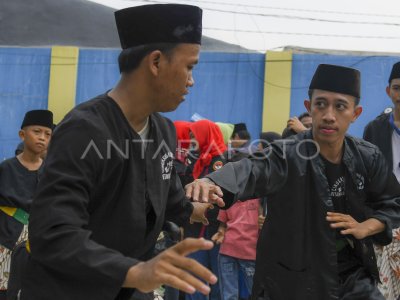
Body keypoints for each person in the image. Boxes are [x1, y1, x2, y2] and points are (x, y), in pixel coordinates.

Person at [20, 5, 219, 300]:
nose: (191, 81)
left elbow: (167, 194)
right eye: (189, 67)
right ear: (155, 62)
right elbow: (52, 233)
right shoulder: (84, 130)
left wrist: (195, 209)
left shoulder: (162, 131)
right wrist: (135, 272)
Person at [185, 64, 400, 300]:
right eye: (321, 104)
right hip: (292, 277)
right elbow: (252, 168)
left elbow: (393, 203)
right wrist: (212, 182)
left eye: (340, 106)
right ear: (309, 107)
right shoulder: (286, 153)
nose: (329, 115)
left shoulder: (367, 156)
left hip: (351, 274)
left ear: (355, 113)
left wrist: (366, 226)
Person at [0, 109, 53, 300]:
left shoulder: (52, 172)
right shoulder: (6, 168)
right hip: (5, 239)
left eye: (47, 134)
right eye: (37, 132)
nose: (42, 138)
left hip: (39, 240)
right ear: (22, 135)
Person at [363, 61, 400, 300]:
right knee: (385, 291)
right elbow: (365, 178)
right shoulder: (374, 129)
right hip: (386, 220)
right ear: (388, 91)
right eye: (397, 88)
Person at [184, 119, 227, 300]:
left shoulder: (218, 161)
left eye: (194, 136)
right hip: (197, 225)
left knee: (212, 278)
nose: (192, 140)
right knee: (195, 276)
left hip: (211, 227)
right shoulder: (200, 159)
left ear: (205, 135)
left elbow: (221, 194)